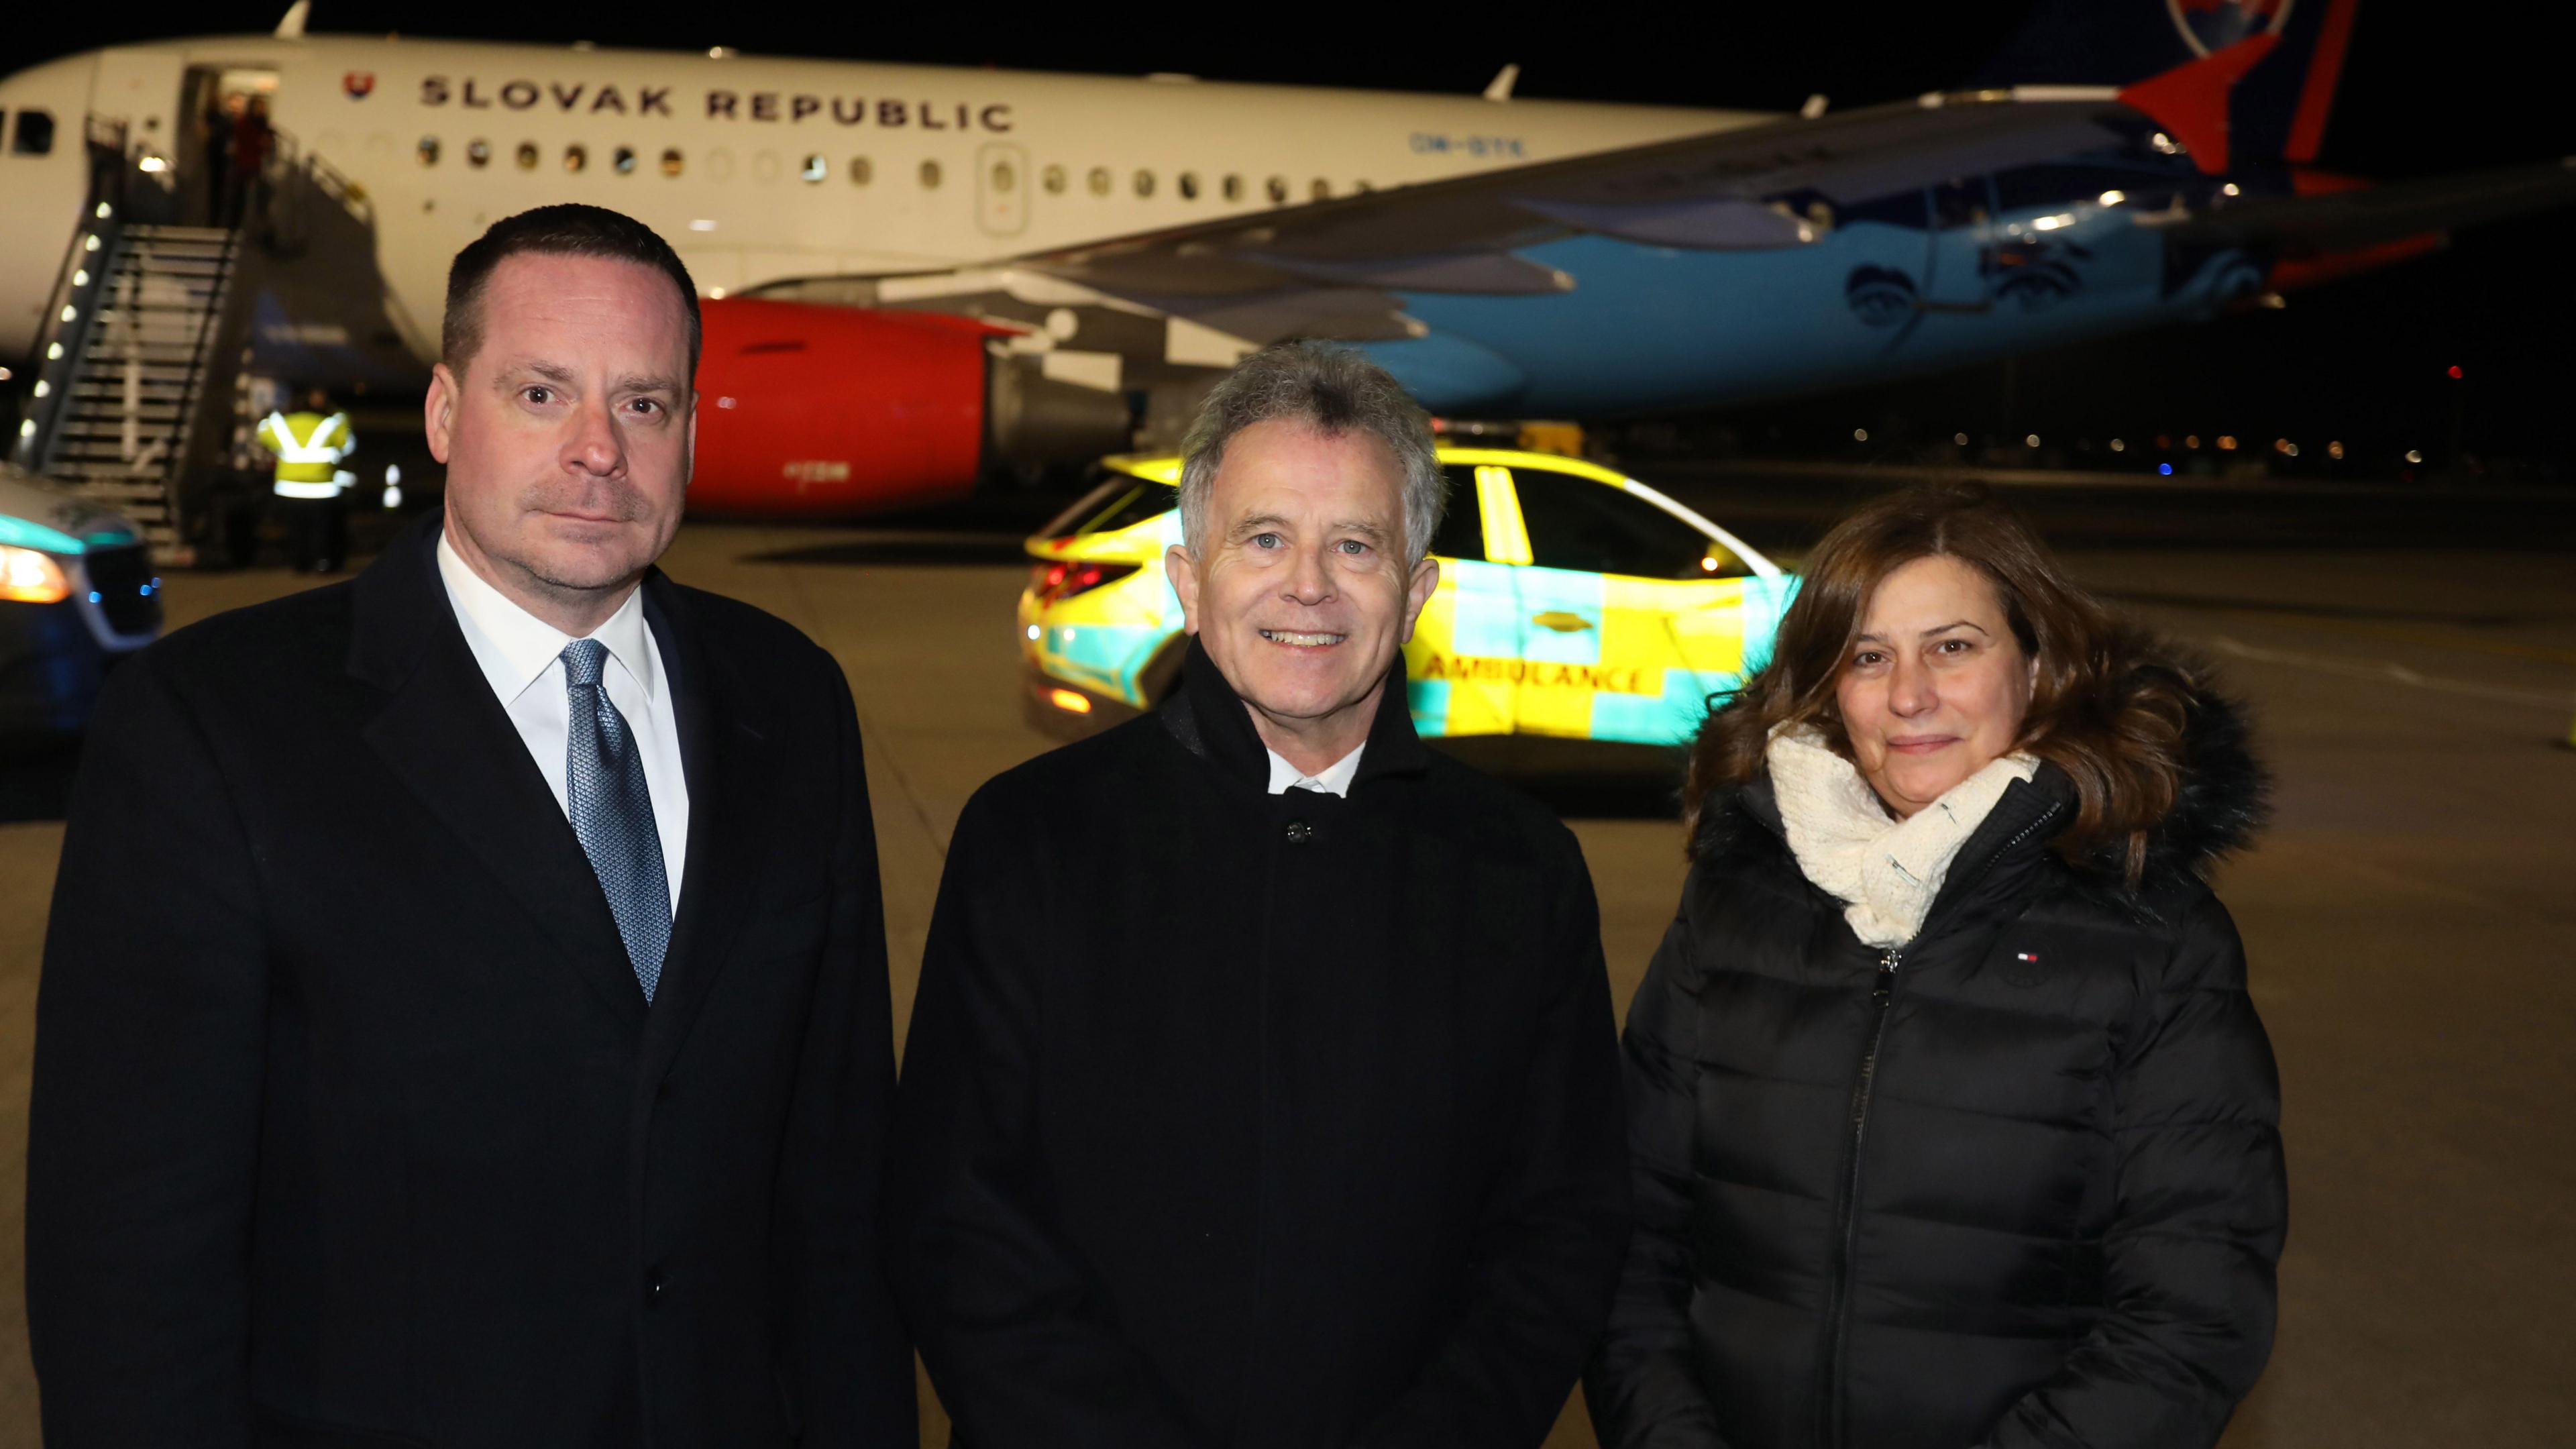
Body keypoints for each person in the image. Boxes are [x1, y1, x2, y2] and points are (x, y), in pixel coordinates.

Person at [29, 204, 916, 1448]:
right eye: (543, 393)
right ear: (449, 414)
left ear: (694, 435)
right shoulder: (215, 728)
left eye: (645, 403)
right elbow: (129, 1252)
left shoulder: (793, 699)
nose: (600, 449)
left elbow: (836, 1177)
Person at [890, 339, 1629, 1448]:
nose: (1309, 586)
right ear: (1191, 583)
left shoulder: (1519, 870)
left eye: (1356, 545)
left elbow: (1560, 1232)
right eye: (1265, 538)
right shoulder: (1035, 837)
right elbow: (959, 1215)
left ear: (1417, 590)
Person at [1585, 483, 2285, 1449]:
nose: (1910, 694)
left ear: (2036, 668)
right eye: (1868, 657)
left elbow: (2191, 1315)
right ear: (1832, 689)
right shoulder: (1734, 909)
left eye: (1953, 647)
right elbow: (1630, 1240)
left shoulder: (2157, 939)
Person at [257, 386, 354, 571]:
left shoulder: (283, 424)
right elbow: (347, 445)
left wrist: (276, 414)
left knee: (296, 528)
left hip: (290, 488)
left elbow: (263, 432)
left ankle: (299, 564)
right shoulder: (330, 423)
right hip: (322, 488)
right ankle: (322, 562)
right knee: (322, 530)